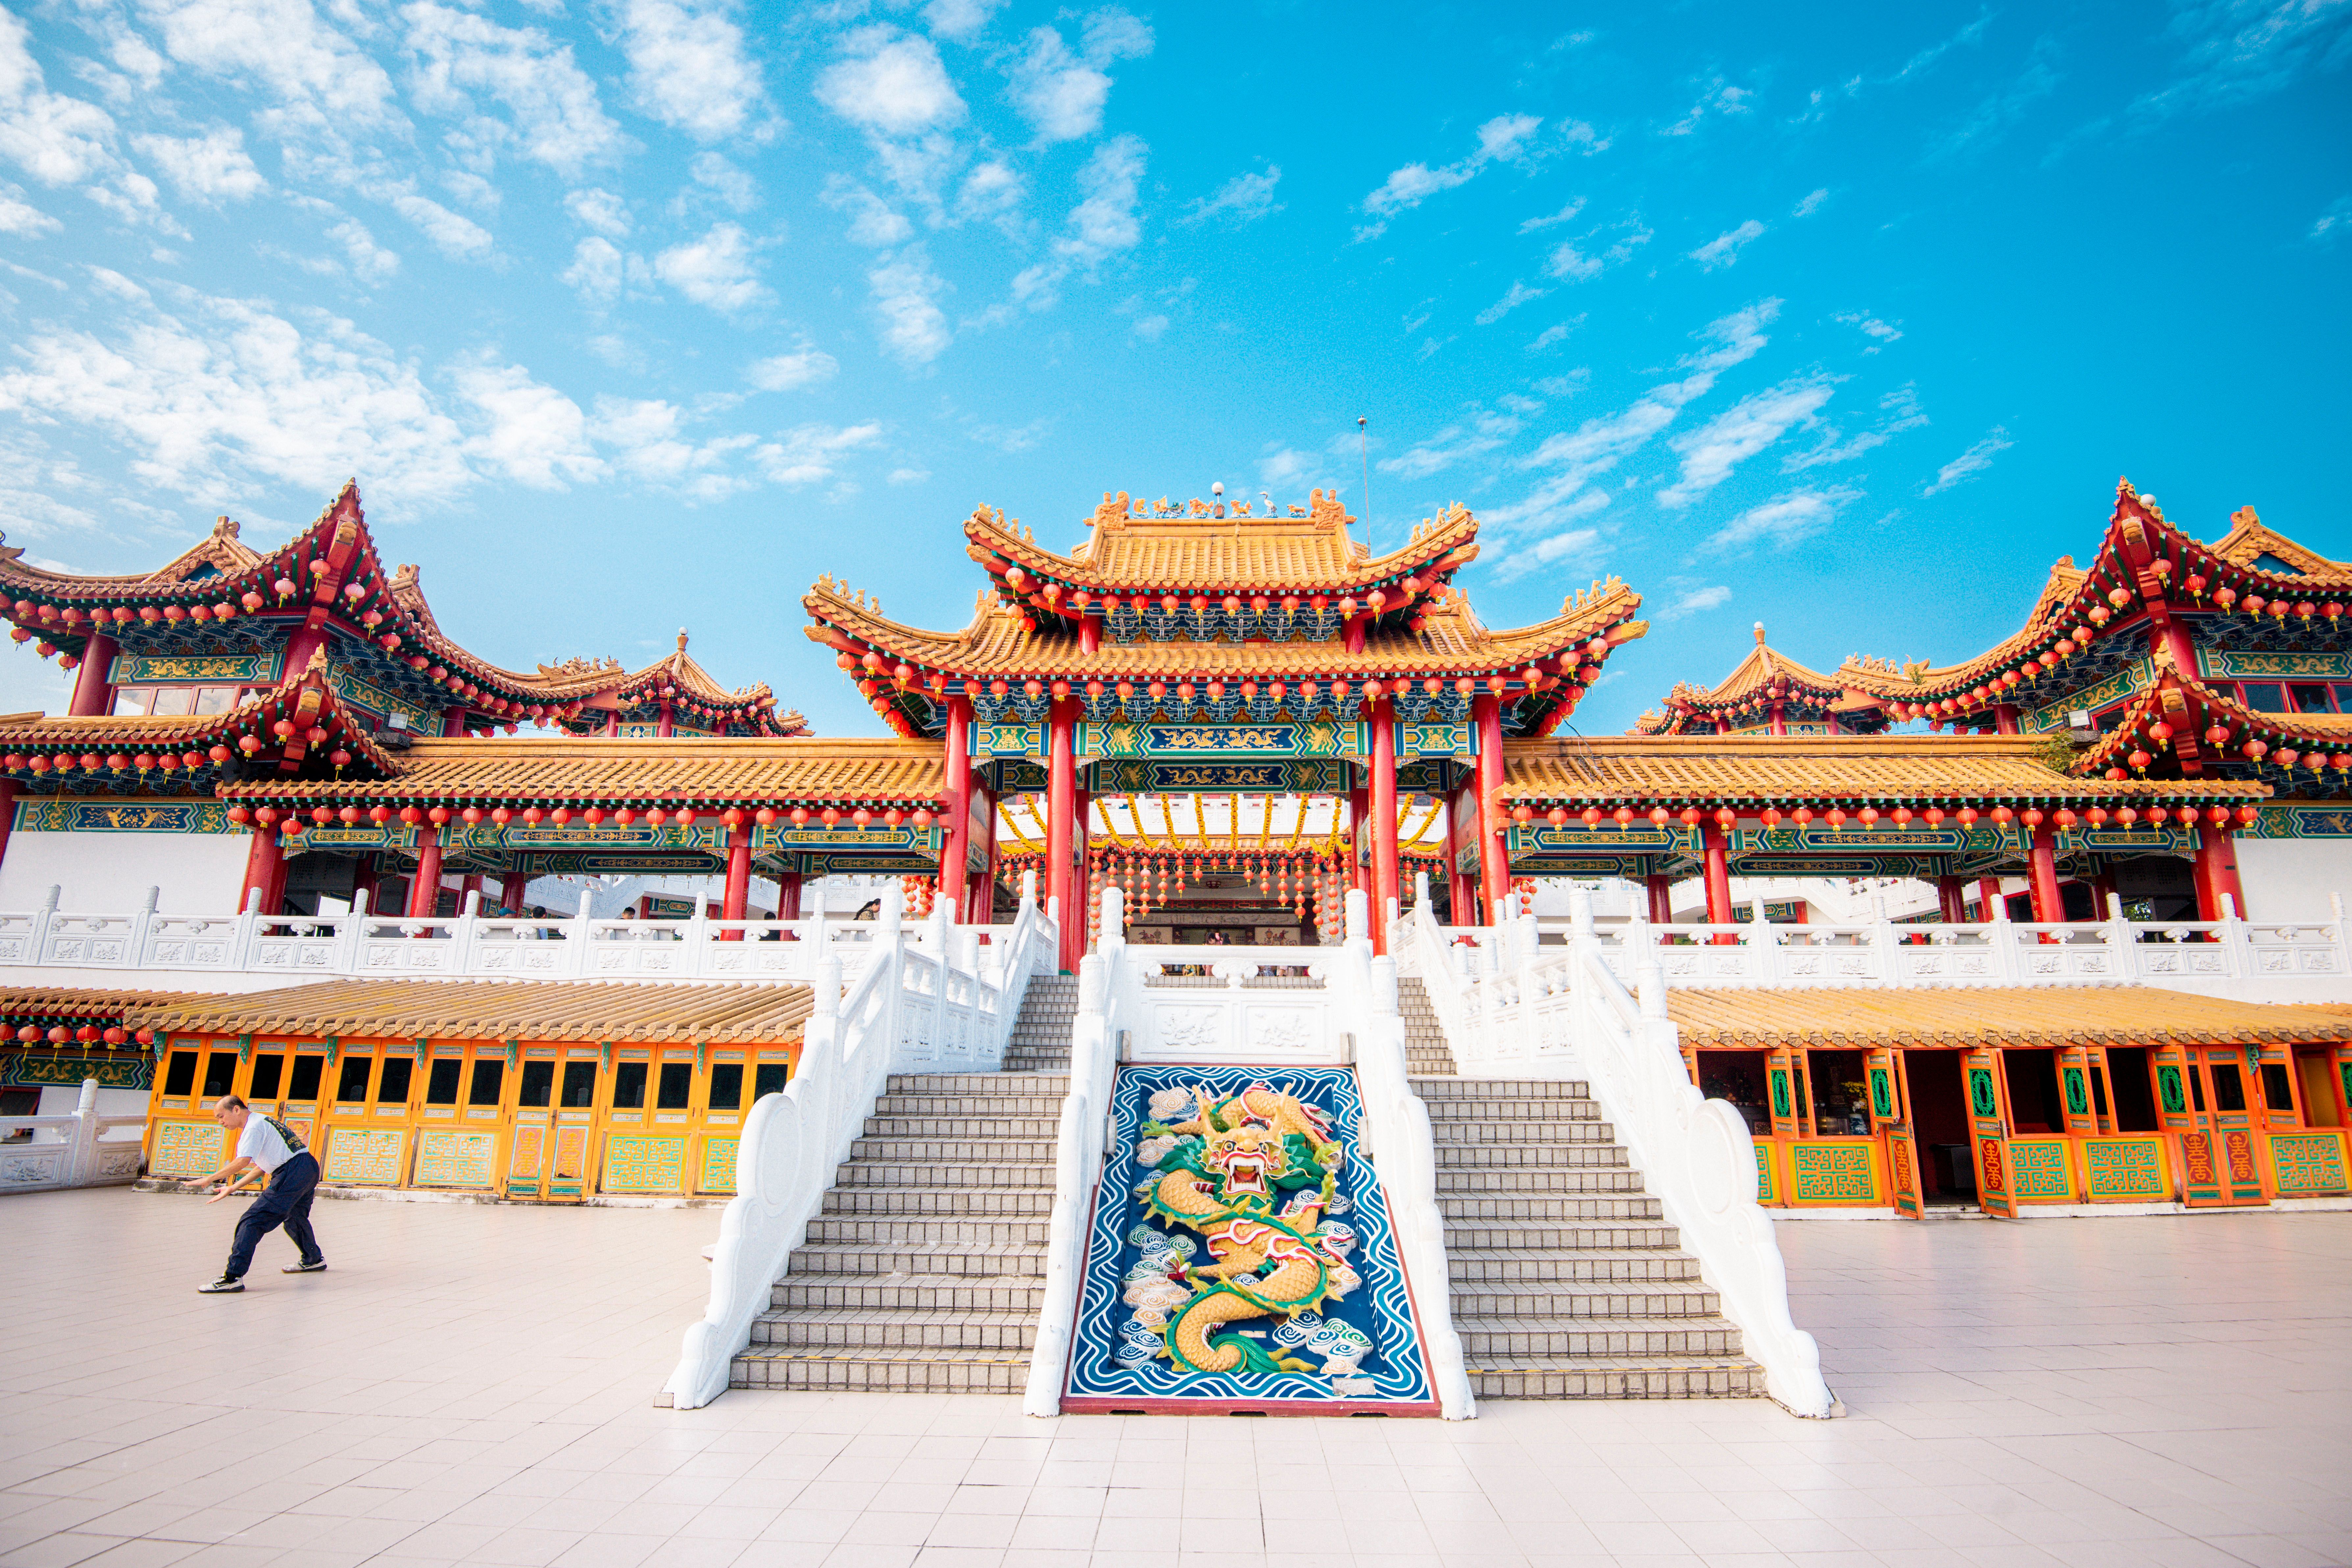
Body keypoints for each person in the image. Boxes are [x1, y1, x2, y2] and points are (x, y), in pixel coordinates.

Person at [184, 1094, 326, 1293]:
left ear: (236, 1110)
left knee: (251, 1222)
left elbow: (242, 1161)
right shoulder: (262, 1120)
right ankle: (313, 1259)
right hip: (307, 1167)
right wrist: (232, 1188)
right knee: (295, 1217)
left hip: (293, 1171)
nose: (220, 1122)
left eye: (221, 1116)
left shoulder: (253, 1127)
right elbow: (263, 1166)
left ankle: (232, 1277)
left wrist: (210, 1179)